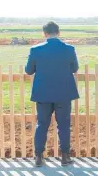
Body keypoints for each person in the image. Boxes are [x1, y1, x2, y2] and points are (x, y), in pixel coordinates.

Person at [25, 21, 79, 167]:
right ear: (59, 32)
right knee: (64, 125)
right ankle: (65, 157)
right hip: (63, 93)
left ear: (45, 33)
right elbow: (75, 68)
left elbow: (29, 70)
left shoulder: (35, 50)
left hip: (43, 93)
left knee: (41, 124)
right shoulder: (69, 49)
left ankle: (38, 157)